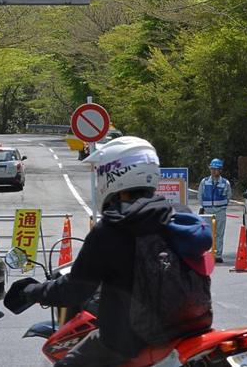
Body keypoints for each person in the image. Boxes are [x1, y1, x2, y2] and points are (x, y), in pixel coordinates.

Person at [17, 136, 213, 366]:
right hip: (193, 325)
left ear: (114, 174)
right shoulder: (177, 213)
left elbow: (76, 289)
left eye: (100, 172)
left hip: (132, 339)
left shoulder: (114, 226)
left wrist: (33, 290)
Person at [198, 158, 232, 263]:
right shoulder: (204, 182)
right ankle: (207, 254)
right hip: (208, 211)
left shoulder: (225, 183)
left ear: (220, 170)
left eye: (216, 169)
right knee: (207, 233)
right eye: (212, 168)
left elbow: (228, 196)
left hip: (220, 211)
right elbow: (200, 195)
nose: (213, 171)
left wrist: (221, 206)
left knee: (219, 234)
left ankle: (217, 255)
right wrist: (204, 207)